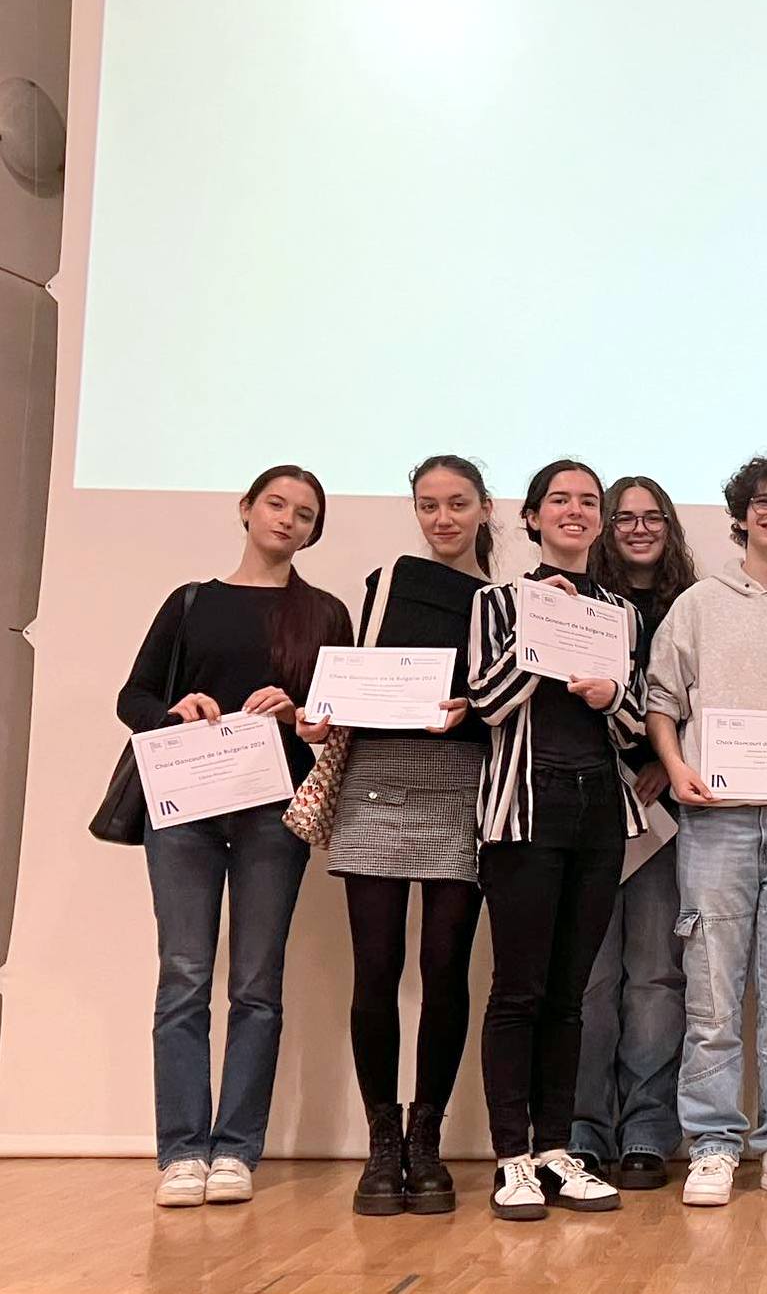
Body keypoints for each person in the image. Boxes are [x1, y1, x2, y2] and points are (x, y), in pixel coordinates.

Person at [118, 466, 353, 1208]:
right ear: (246, 508)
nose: (287, 520)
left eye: (304, 514)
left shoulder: (325, 613)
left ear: (314, 531)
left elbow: (338, 725)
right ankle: (182, 1150)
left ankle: (236, 1150)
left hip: (272, 813)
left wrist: (298, 715)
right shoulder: (192, 600)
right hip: (185, 805)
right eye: (276, 504)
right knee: (184, 975)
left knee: (256, 985)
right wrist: (175, 709)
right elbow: (133, 697)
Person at [296, 455, 496, 1217]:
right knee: (376, 969)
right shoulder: (384, 584)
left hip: (460, 788)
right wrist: (321, 716)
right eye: (428, 504)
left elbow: (506, 703)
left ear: (484, 508)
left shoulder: (506, 601)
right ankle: (383, 1140)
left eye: (457, 503)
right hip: (375, 784)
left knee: (445, 970)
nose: (443, 518)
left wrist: (471, 710)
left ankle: (427, 1136)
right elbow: (356, 681)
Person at [645, 451, 767, 1207]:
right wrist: (675, 766)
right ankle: (713, 1143)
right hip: (714, 824)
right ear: (741, 515)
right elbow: (661, 699)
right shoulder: (698, 603)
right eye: (763, 501)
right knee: (712, 997)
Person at [467, 458, 653, 1221]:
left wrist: (611, 695)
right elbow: (487, 700)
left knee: (571, 994)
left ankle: (554, 1146)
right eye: (559, 500)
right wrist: (540, 631)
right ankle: (510, 1155)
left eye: (587, 501)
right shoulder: (497, 602)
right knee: (519, 989)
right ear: (532, 517)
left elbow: (634, 721)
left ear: (598, 521)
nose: (574, 511)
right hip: (523, 810)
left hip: (597, 811)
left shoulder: (620, 612)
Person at [567, 475, 698, 1193]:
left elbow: (705, 705)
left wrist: (661, 763)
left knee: (654, 976)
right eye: (624, 517)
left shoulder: (697, 605)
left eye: (653, 517)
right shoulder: (576, 604)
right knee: (589, 982)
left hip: (661, 815)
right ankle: (584, 1132)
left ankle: (648, 1130)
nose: (639, 528)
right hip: (586, 807)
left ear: (669, 527)